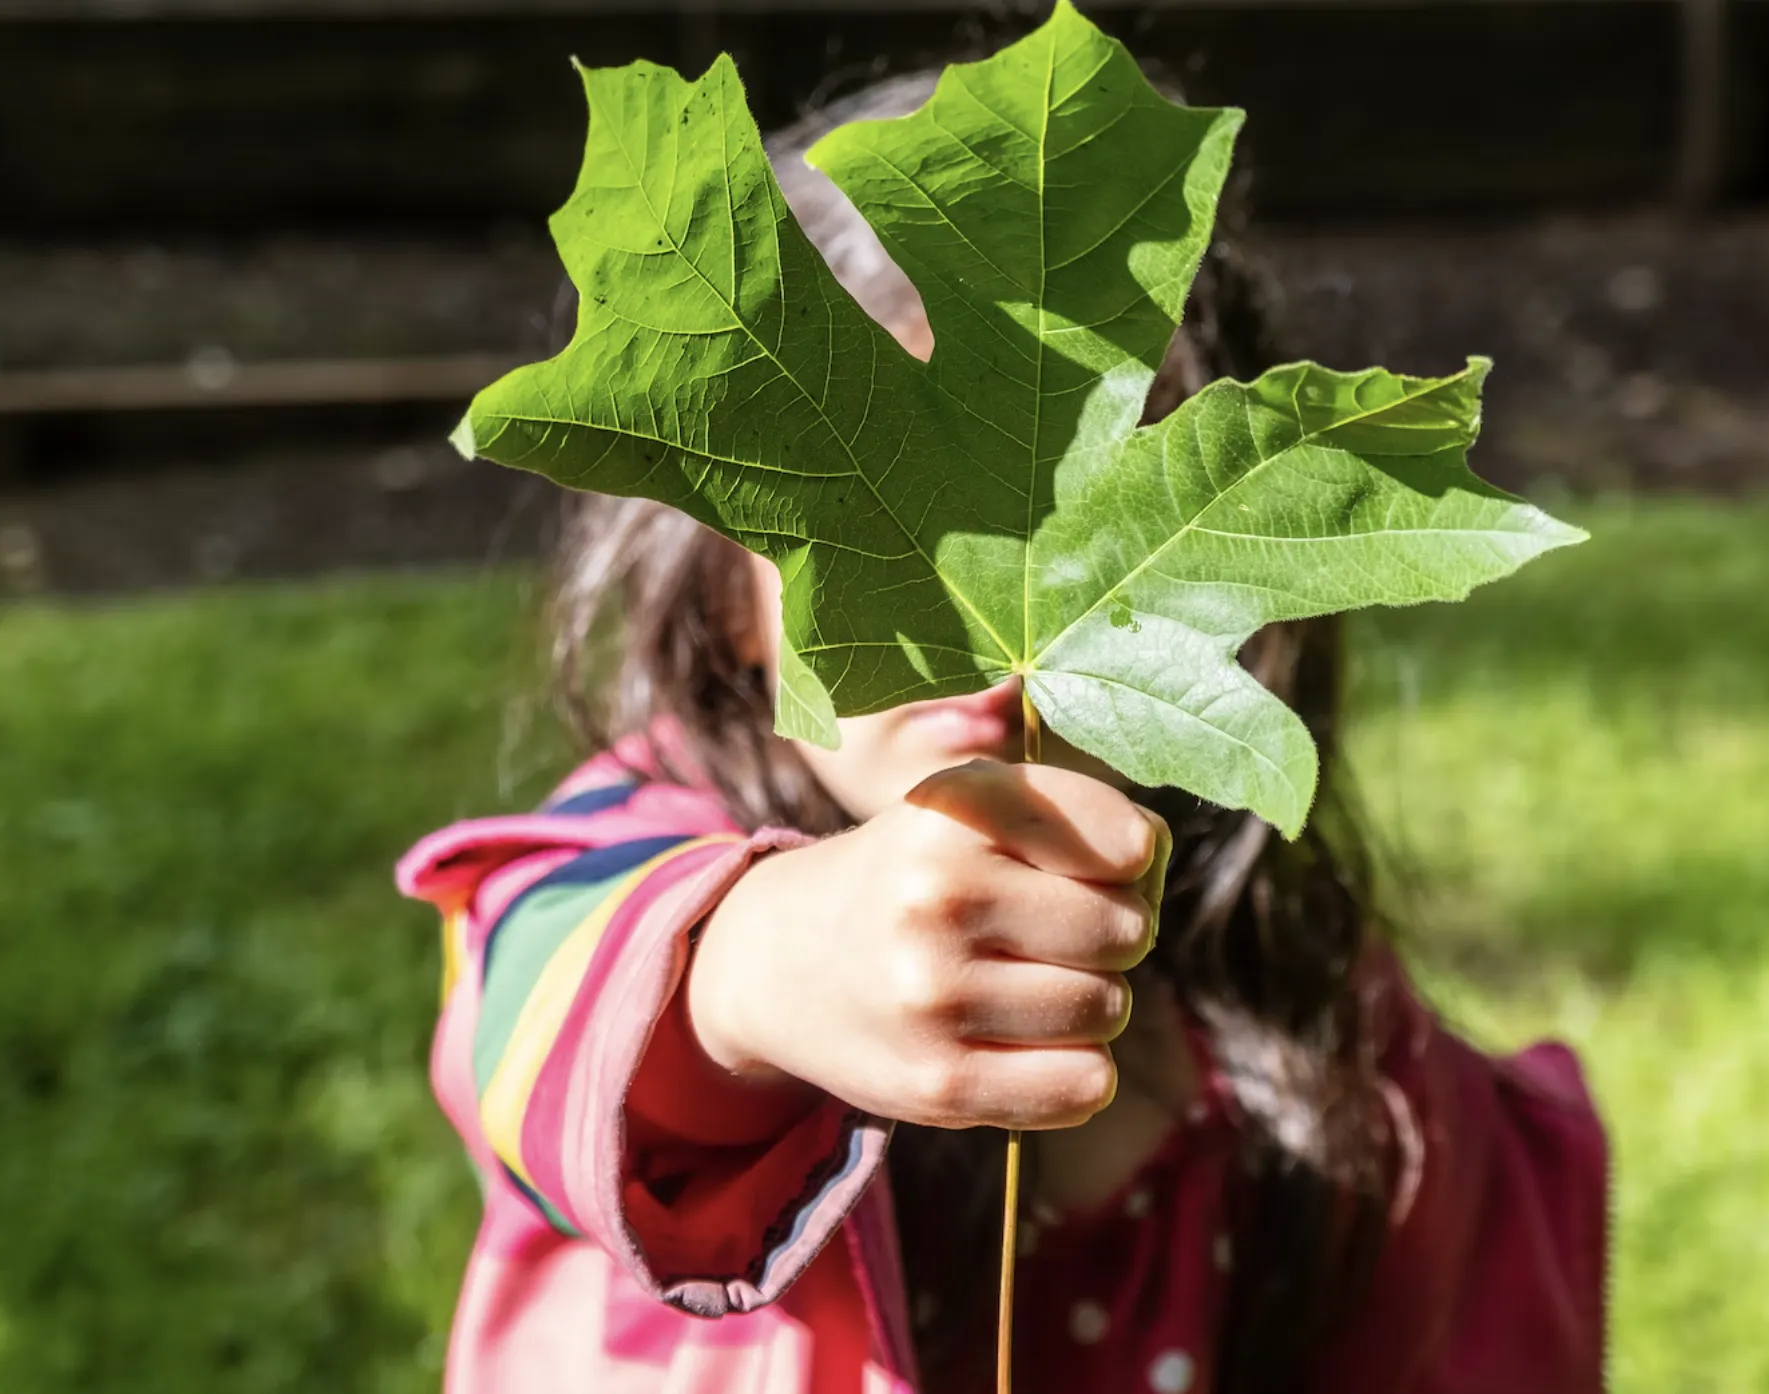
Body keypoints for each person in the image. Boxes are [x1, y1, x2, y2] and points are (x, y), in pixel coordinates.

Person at [398, 73, 1607, 1394]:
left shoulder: (1324, 1027)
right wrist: (754, 970)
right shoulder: (626, 858)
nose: (985, 612)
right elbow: (527, 1005)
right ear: (727, 598)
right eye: (877, 529)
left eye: (1080, 505)